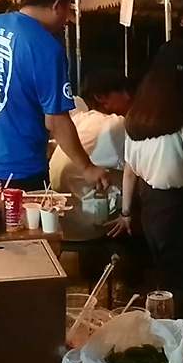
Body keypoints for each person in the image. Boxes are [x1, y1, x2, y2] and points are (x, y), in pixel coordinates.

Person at [0, 0, 107, 191]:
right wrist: (87, 167)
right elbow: (55, 121)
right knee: (25, 216)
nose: (67, 17)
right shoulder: (47, 47)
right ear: (58, 5)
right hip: (22, 168)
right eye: (68, 8)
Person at [109, 41, 183, 323]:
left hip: (149, 205)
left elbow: (130, 169)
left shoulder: (136, 116)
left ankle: (162, 328)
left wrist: (126, 212)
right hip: (179, 206)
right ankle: (179, 332)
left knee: (164, 273)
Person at [48, 69, 131, 240]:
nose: (128, 97)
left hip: (60, 221)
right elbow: (140, 169)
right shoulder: (115, 125)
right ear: (100, 97)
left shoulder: (78, 119)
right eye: (122, 91)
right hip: (86, 224)